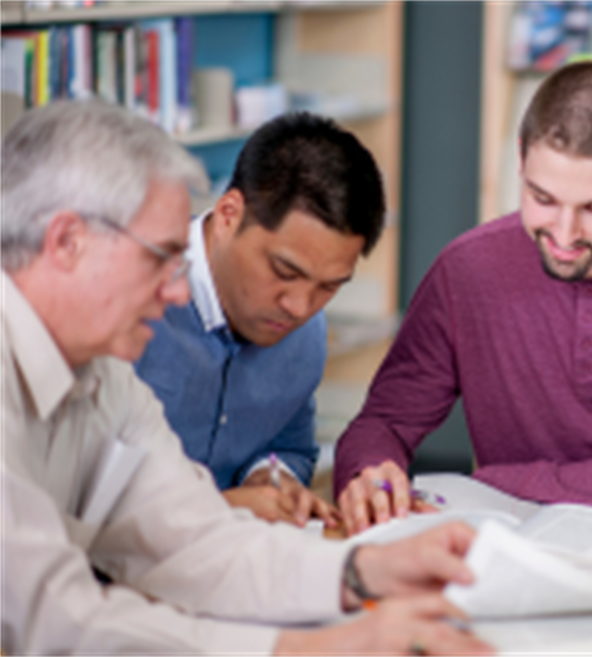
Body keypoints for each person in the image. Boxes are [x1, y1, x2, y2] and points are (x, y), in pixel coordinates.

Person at [0, 101, 491, 655]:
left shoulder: (104, 378)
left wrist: (365, 570)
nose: (179, 292)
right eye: (160, 258)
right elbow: (53, 622)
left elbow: (193, 540)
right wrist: (312, 649)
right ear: (67, 242)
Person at [334, 61, 592, 533]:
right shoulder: (467, 268)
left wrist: (503, 481)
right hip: (512, 551)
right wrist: (370, 472)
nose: (565, 234)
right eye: (543, 198)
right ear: (520, 158)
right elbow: (382, 423)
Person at [134, 112, 385, 528]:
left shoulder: (306, 333)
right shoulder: (129, 304)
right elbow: (76, 500)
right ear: (230, 213)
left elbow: (289, 446)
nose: (300, 307)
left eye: (330, 285)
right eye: (285, 272)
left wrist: (271, 480)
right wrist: (222, 509)